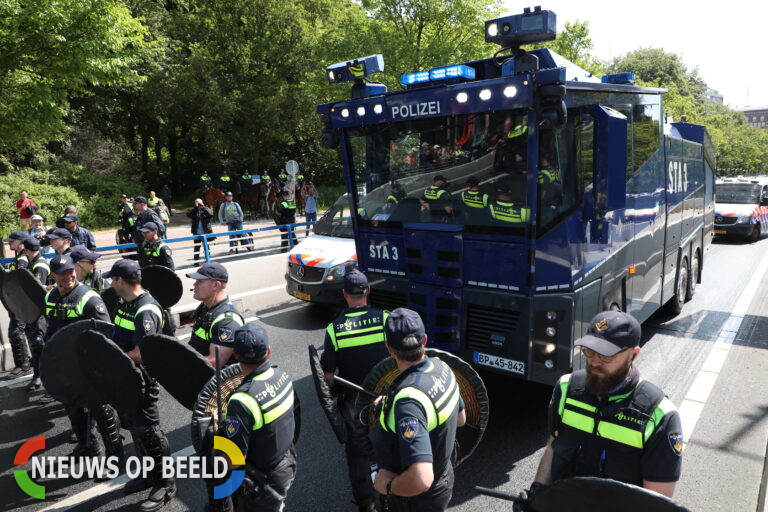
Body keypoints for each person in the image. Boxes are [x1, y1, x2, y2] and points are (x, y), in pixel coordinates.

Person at [533, 311, 683, 499]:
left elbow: (655, 502)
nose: (595, 361)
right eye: (590, 351)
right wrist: (537, 491)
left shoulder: (660, 416)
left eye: (606, 355)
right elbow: (553, 446)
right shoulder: (566, 388)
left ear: (633, 355)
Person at [369, 308, 465, 511]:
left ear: (389, 347)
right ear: (424, 341)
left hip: (417, 499)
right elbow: (460, 419)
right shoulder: (443, 368)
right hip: (444, 480)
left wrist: (388, 486)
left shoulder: (408, 402)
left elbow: (421, 479)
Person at [105, 259, 176, 511]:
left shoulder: (146, 309)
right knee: (135, 428)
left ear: (120, 281)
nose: (111, 284)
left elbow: (142, 352)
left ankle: (165, 483)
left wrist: (111, 356)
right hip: (125, 376)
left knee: (150, 431)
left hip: (142, 379)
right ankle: (148, 474)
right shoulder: (126, 303)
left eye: (112, 279)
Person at [206, 323, 297, 512]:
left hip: (261, 483)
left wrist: (213, 461)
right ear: (268, 351)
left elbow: (235, 459)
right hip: (285, 465)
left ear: (236, 355)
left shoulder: (242, 400)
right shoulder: (284, 376)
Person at [43, 254, 124, 460]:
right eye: (62, 274)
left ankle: (115, 456)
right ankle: (87, 446)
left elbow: (105, 332)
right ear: (53, 275)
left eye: (71, 272)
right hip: (66, 366)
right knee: (73, 407)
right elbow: (51, 329)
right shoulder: (50, 297)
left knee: (101, 411)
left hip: (89, 365)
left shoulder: (89, 298)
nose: (68, 277)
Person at [321, 270, 389, 512]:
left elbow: (327, 376)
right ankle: (392, 497)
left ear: (344, 294)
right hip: (386, 399)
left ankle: (366, 504)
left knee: (359, 456)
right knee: (389, 448)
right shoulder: (384, 319)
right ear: (368, 291)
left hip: (355, 404)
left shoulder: (334, 330)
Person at [186, 262, 245, 368]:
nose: (195, 285)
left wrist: (181, 362)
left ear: (216, 285)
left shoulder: (227, 321)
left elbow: (214, 362)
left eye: (200, 281)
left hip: (215, 382)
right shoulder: (206, 308)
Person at [3, 231, 31, 378]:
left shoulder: (23, 259)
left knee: (16, 332)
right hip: (18, 301)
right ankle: (26, 362)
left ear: (20, 242)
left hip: (22, 302)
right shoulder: (19, 257)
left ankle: (23, 365)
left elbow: (21, 280)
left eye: (11, 241)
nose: (9, 243)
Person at [22, 237, 49, 392]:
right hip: (35, 311)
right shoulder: (36, 262)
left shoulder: (40, 265)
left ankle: (40, 377)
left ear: (26, 250)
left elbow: (39, 291)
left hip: (40, 312)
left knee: (39, 344)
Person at [187, 198, 214, 264]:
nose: (199, 204)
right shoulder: (193, 210)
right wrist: (196, 208)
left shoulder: (206, 209)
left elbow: (211, 214)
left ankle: (208, 261)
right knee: (196, 248)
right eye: (197, 203)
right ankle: (196, 262)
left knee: (206, 247)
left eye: (200, 203)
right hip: (197, 233)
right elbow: (188, 214)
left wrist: (203, 208)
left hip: (205, 232)